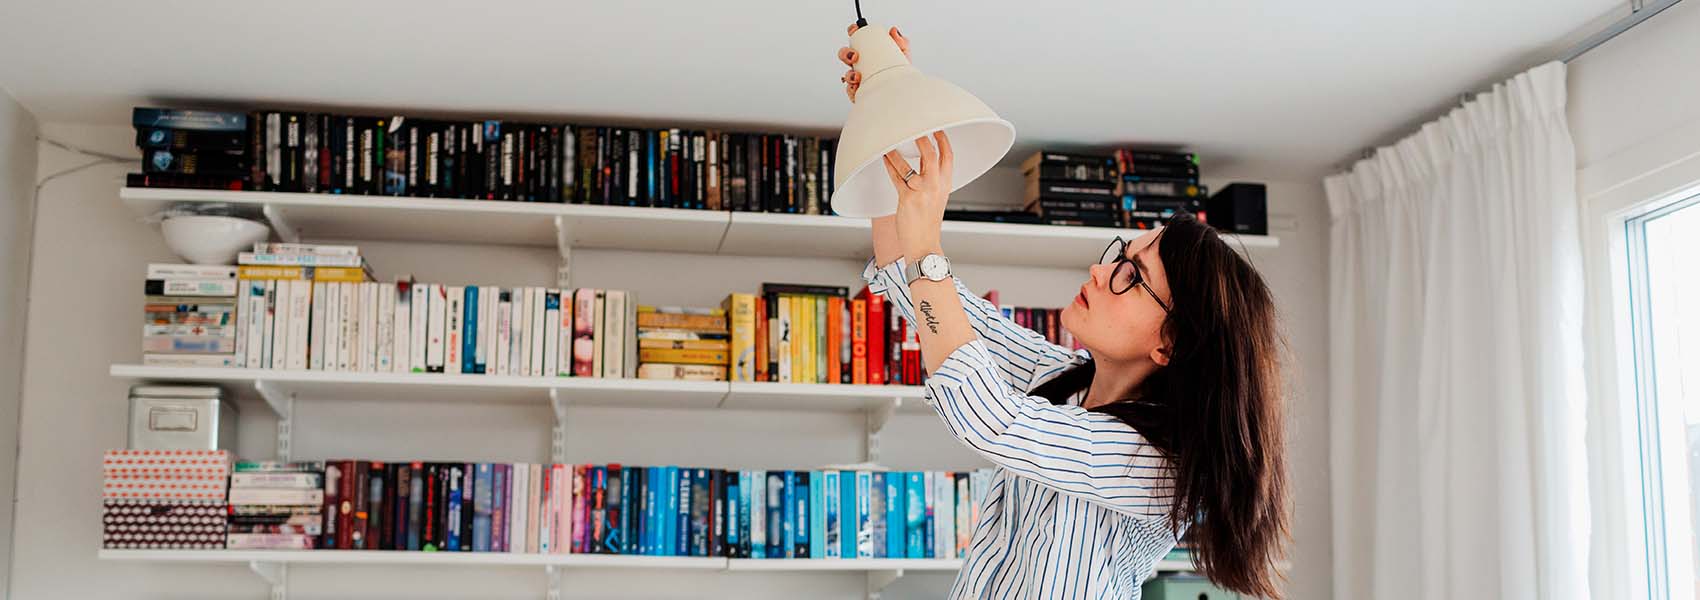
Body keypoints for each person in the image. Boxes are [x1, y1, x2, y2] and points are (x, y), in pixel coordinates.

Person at [839, 25, 1292, 599]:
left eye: (1132, 276)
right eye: (1117, 257)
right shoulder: (1059, 378)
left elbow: (989, 419)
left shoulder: (1155, 463)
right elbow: (914, 285)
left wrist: (930, 243)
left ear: (1170, 343)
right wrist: (888, 112)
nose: (1101, 272)